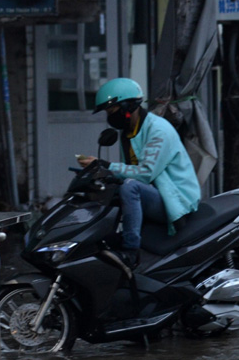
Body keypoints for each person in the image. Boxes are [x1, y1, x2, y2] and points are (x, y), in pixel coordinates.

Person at [76, 78, 200, 269]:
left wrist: (106, 165)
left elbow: (144, 174)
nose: (110, 116)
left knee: (129, 187)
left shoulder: (158, 130)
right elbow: (130, 171)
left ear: (128, 106)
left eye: (112, 110)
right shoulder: (130, 132)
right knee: (115, 191)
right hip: (156, 193)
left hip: (176, 199)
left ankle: (131, 251)